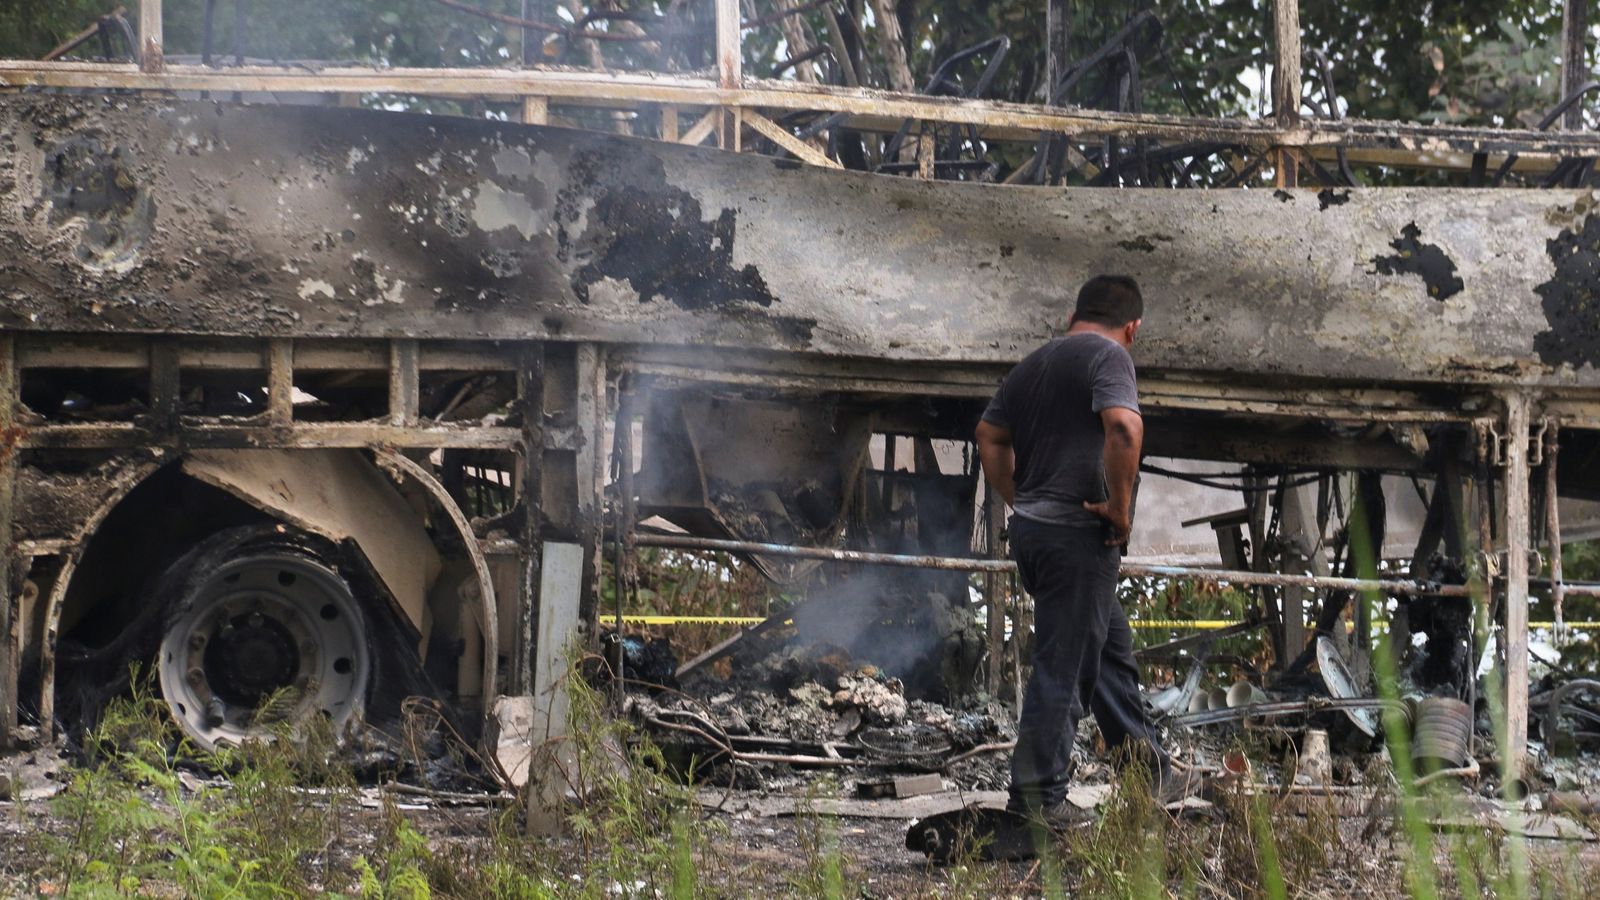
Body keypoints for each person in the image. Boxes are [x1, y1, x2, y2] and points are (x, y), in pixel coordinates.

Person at [975, 274, 1182, 826]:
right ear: (1132, 327)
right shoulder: (1108, 357)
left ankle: (1147, 767)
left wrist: (1023, 498)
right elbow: (1124, 429)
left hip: (1035, 536)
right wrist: (1120, 507)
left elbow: (988, 437)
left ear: (1076, 312)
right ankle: (1037, 802)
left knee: (1109, 647)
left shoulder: (1031, 365)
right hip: (1078, 537)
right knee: (1064, 667)